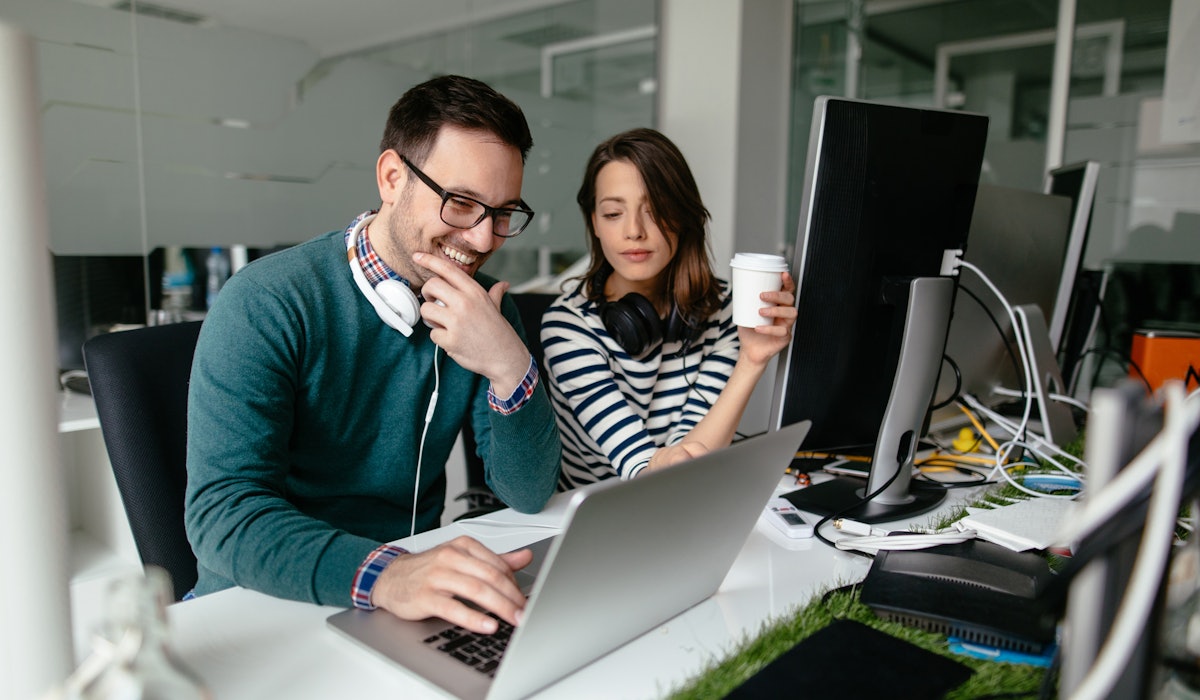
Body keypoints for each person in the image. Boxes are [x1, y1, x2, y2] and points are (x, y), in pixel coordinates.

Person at [184, 75, 560, 636]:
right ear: (392, 178)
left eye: (503, 213)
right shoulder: (265, 302)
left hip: (409, 599)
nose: (484, 240)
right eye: (461, 203)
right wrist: (390, 576)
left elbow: (526, 493)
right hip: (258, 609)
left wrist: (511, 366)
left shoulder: (484, 312)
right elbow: (223, 513)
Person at [541, 127, 797, 489]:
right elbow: (648, 475)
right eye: (613, 213)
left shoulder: (725, 309)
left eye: (655, 210)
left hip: (686, 502)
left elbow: (691, 461)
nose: (634, 230)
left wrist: (753, 360)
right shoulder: (566, 326)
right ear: (594, 224)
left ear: (683, 216)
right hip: (597, 516)